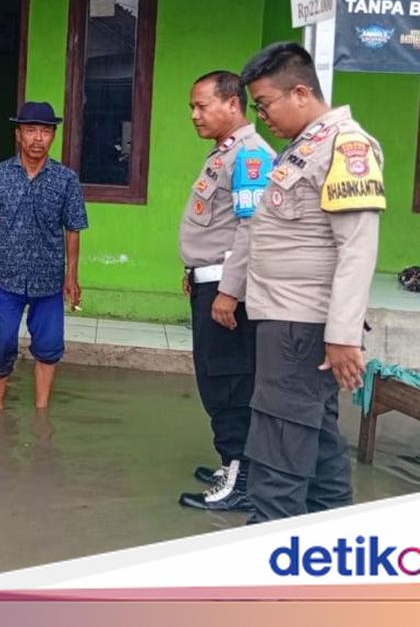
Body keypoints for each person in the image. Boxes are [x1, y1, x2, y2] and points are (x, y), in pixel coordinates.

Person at [239, 42, 385, 522]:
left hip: (300, 326)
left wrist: (343, 335)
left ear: (300, 92)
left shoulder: (347, 146)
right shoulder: (305, 147)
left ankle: (268, 562)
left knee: (277, 451)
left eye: (264, 104)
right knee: (316, 444)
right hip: (287, 320)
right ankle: (328, 550)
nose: (262, 117)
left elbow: (357, 245)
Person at [177, 71, 275, 512]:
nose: (195, 115)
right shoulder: (226, 152)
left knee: (230, 382)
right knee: (215, 378)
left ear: (232, 105)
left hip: (227, 288)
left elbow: (251, 231)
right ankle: (231, 463)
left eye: (202, 106)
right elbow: (217, 225)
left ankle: (242, 477)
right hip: (211, 279)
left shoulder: (251, 156)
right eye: (192, 108)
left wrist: (228, 291)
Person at [0, 102, 88, 411]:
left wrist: (71, 276)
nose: (38, 138)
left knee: (49, 347)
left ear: (53, 136)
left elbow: (73, 229)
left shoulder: (66, 179)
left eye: (45, 131)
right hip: (6, 279)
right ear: (18, 134)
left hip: (49, 281)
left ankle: (41, 411)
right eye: (31, 130)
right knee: (1, 344)